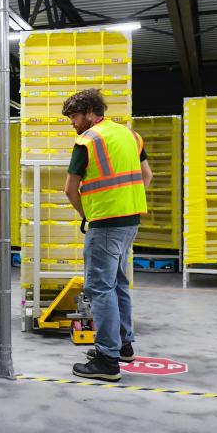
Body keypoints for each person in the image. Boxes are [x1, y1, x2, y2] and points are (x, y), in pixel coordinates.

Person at [62, 89, 151, 382]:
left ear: (89, 112)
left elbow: (70, 190)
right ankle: (124, 346)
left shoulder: (87, 140)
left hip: (104, 223)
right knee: (119, 284)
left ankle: (107, 360)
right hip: (130, 220)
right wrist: (126, 202)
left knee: (100, 289)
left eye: (74, 116)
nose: (73, 123)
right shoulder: (130, 136)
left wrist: (86, 214)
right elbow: (146, 176)